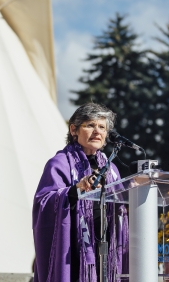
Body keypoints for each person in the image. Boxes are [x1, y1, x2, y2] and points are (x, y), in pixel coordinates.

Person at [32, 103, 128, 282]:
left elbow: (121, 204)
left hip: (106, 248)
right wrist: (75, 190)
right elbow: (43, 203)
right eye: (90, 125)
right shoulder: (59, 163)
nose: (97, 131)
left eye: (102, 127)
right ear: (74, 130)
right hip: (73, 251)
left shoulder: (111, 169)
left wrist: (137, 189)